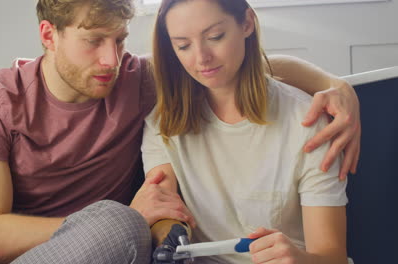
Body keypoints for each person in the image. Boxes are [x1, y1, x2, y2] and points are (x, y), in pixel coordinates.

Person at [0, 1, 357, 264]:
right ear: (49, 36)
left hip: (108, 251)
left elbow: (231, 65)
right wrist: (130, 216)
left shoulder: (139, 81)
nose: (110, 59)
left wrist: (337, 88)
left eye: (119, 40)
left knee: (119, 228)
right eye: (94, 40)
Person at [143, 0, 349, 263]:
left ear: (247, 23)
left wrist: (299, 259)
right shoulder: (163, 124)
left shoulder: (307, 122)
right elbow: (163, 207)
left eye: (215, 37)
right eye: (183, 45)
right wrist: (165, 234)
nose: (201, 57)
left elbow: (333, 258)